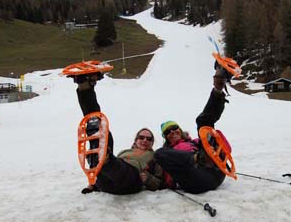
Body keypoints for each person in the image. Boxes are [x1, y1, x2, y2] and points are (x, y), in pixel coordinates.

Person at [75, 74, 164, 195]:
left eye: (149, 139)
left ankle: (100, 158)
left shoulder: (154, 157)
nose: (145, 140)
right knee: (99, 129)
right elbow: (113, 170)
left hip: (131, 181)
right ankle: (84, 87)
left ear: (152, 143)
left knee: (105, 141)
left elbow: (160, 182)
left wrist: (148, 179)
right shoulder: (125, 152)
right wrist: (94, 185)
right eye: (141, 137)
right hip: (108, 182)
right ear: (135, 140)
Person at [154, 66, 232, 194]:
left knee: (203, 124)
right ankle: (199, 159)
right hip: (195, 180)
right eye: (167, 132)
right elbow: (168, 178)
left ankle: (218, 88)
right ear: (166, 137)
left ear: (180, 129)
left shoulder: (195, 142)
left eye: (174, 128)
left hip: (216, 173)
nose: (172, 132)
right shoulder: (169, 152)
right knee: (159, 153)